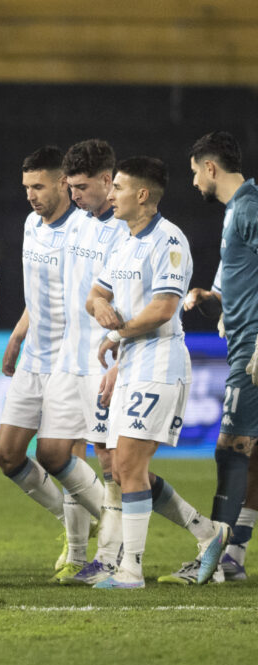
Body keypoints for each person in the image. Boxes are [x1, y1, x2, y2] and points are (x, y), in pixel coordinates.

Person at [87, 156, 230, 588]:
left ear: (142, 195)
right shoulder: (124, 241)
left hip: (160, 361)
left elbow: (164, 309)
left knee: (128, 464)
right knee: (116, 464)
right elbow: (94, 295)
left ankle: (130, 569)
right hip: (132, 361)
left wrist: (118, 332)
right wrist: (104, 312)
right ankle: (208, 533)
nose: (110, 195)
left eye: (119, 188)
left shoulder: (168, 241)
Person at [0, 146, 107, 583]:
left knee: (66, 453)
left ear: (63, 183)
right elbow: (37, 294)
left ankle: (83, 553)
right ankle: (81, 522)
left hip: (70, 357)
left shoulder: (84, 229)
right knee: (6, 454)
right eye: (26, 188)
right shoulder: (30, 225)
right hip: (34, 356)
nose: (30, 196)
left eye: (38, 186)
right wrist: (18, 335)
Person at [165, 130, 258, 583]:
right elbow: (240, 276)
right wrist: (211, 296)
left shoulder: (250, 207)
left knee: (231, 450)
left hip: (252, 348)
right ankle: (233, 556)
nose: (194, 183)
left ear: (210, 168)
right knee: (252, 453)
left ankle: (214, 559)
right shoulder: (236, 211)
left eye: (194, 173)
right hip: (242, 338)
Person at [36, 139, 128, 585]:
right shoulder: (77, 225)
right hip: (66, 359)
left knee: (111, 463)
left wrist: (117, 354)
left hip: (102, 359)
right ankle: (120, 533)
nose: (74, 195)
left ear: (109, 182)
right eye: (70, 186)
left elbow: (131, 301)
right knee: (51, 453)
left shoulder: (128, 230)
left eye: (82, 186)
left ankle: (111, 557)